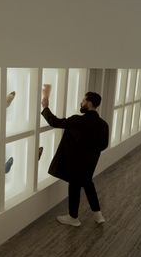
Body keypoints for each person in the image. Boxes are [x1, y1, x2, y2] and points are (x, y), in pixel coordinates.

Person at [41, 87, 109, 227]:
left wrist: (45, 107)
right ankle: (98, 215)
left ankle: (73, 217)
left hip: (75, 162)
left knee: (75, 186)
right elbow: (103, 145)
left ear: (89, 103)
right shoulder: (103, 124)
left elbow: (55, 122)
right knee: (88, 184)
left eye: (83, 100)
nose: (81, 102)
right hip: (90, 162)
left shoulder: (78, 120)